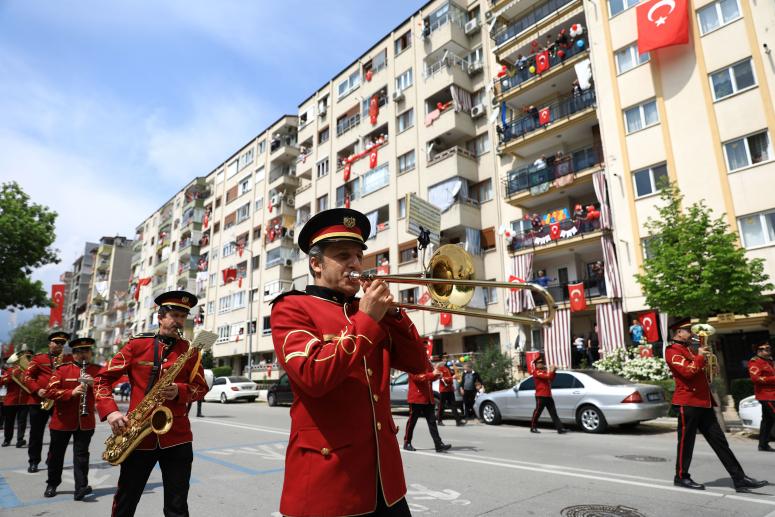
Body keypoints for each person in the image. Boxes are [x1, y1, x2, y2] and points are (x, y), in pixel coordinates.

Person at [270, 208, 427, 517]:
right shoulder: (292, 308)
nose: (355, 264)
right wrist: (367, 319)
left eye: (358, 255)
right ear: (316, 264)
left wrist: (395, 316)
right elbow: (314, 377)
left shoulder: (364, 311)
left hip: (386, 481)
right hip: (330, 483)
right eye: (343, 256)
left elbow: (417, 362)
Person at [93, 290, 207, 517]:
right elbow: (102, 379)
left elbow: (201, 387)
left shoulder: (190, 351)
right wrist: (112, 412)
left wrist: (180, 391)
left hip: (177, 437)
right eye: (174, 315)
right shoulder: (137, 345)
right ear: (160, 317)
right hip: (137, 435)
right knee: (126, 499)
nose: (179, 321)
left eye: (183, 317)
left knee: (177, 504)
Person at [666, 327, 767, 492]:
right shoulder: (672, 351)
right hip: (688, 402)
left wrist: (711, 366)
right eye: (689, 332)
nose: (693, 335)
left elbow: (700, 372)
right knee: (686, 442)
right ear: (679, 332)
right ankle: (681, 477)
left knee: (720, 442)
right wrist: (700, 356)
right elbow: (688, 372)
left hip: (704, 401)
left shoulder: (689, 350)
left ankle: (739, 479)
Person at [42, 337, 101, 500]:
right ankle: (52, 483)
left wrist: (93, 384)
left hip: (86, 420)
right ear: (73, 354)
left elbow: (106, 391)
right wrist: (71, 393)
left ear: (91, 353)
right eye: (80, 352)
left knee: (82, 455)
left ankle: (81, 487)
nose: (83, 355)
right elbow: (49, 392)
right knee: (56, 454)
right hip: (62, 421)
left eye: (86, 351)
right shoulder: (62, 370)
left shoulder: (98, 370)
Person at [23, 331, 72, 473]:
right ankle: (33, 461)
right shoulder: (39, 358)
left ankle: (52, 459)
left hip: (59, 401)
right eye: (56, 342)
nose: (59, 345)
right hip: (38, 401)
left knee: (57, 434)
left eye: (62, 343)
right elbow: (27, 377)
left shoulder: (68, 360)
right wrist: (37, 390)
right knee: (36, 433)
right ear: (49, 343)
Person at [404, 360, 451, 452]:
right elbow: (417, 378)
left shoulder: (427, 363)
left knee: (432, 422)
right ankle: (407, 442)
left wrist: (437, 374)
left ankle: (438, 444)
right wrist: (432, 374)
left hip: (428, 397)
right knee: (412, 422)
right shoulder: (412, 363)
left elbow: (431, 377)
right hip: (416, 398)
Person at [0, 349, 33, 447]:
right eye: (25, 358)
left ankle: (20, 440)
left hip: (24, 400)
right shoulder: (11, 370)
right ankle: (7, 439)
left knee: (22, 422)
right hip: (11, 400)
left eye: (28, 358)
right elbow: (1, 382)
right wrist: (11, 376)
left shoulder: (30, 371)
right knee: (9, 422)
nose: (27, 360)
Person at [747, 341, 775, 452]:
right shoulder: (755, 362)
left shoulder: (770, 361)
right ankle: (763, 444)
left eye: (769, 348)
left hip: (772, 394)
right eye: (766, 349)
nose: (769, 351)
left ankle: (763, 444)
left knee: (767, 421)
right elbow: (756, 379)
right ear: (759, 351)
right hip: (766, 395)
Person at [530, 356, 566, 434]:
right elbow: (548, 376)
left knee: (553, 413)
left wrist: (554, 371)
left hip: (548, 395)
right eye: (540, 363)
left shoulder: (544, 371)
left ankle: (560, 429)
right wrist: (552, 371)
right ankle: (533, 427)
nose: (542, 364)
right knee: (537, 412)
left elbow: (551, 379)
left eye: (543, 362)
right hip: (541, 396)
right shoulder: (536, 372)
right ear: (536, 365)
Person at [436, 361, 463, 426]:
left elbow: (453, 374)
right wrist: (452, 377)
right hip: (444, 390)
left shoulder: (448, 368)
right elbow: (442, 379)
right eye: (444, 359)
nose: (445, 360)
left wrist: (456, 374)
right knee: (441, 406)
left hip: (450, 389)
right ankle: (439, 421)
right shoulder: (440, 368)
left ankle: (458, 421)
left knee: (454, 405)